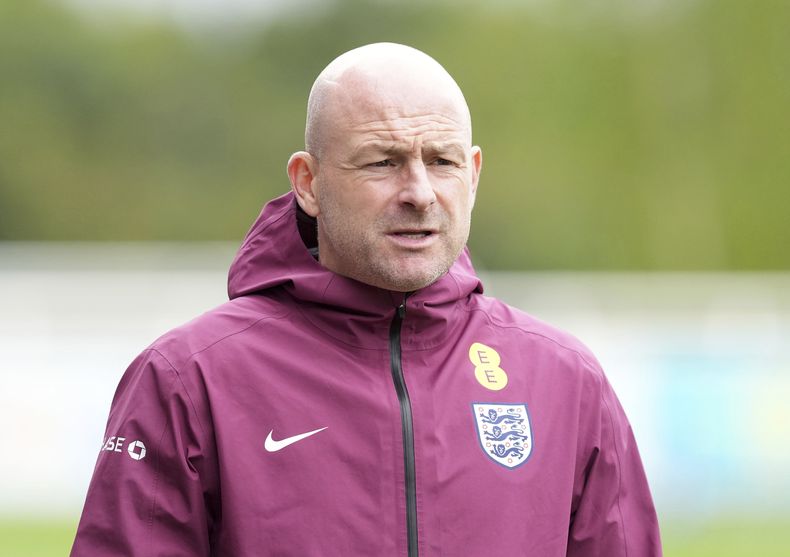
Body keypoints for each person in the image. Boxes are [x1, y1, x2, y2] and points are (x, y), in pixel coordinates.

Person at [71, 42, 661, 556]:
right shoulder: (188, 379)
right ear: (308, 182)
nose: (420, 193)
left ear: (474, 174)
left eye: (442, 161)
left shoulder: (566, 381)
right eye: (384, 162)